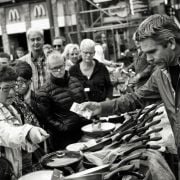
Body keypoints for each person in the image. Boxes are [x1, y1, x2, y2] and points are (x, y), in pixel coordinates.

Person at [80, 14, 180, 158]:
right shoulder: (160, 75)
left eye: (152, 52)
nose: (148, 59)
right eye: (145, 53)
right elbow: (136, 98)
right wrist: (100, 107)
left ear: (171, 43)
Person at [0, 65, 49, 178]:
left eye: (14, 86)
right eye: (6, 88)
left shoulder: (10, 107)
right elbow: (6, 132)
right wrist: (28, 132)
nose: (12, 92)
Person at [37, 51, 89, 151]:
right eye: (54, 68)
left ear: (65, 64)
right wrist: (63, 127)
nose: (59, 70)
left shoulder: (75, 81)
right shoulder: (44, 92)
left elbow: (85, 102)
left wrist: (89, 119)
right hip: (63, 139)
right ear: (48, 69)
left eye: (61, 66)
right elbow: (47, 119)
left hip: (83, 131)